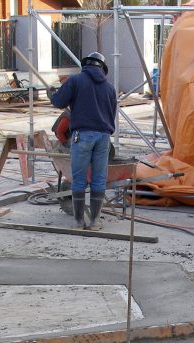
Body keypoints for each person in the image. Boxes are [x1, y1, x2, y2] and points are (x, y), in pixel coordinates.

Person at [48, 52, 117, 231]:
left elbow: (59, 102)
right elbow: (111, 114)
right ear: (102, 68)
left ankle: (79, 222)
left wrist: (52, 94)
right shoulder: (110, 88)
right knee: (98, 180)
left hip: (82, 135)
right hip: (103, 137)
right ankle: (95, 222)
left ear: (86, 65)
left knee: (78, 180)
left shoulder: (75, 81)